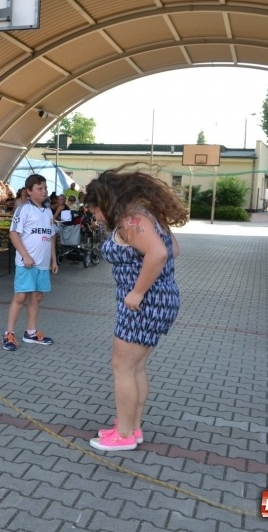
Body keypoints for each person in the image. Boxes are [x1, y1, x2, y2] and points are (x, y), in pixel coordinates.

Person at [83, 169, 186, 452]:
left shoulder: (132, 221)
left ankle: (125, 434)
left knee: (123, 367)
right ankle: (132, 426)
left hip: (144, 305)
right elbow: (173, 248)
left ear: (106, 202)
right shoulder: (143, 216)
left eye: (96, 210)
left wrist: (138, 290)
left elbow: (160, 253)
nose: (97, 217)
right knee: (135, 366)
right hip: (158, 301)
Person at [2, 174, 58, 352]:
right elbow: (13, 234)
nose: (44, 192)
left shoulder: (48, 211)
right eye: (39, 189)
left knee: (37, 297)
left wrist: (53, 259)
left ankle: (31, 333)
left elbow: (51, 236)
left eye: (45, 188)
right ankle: (9, 333)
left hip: (42, 264)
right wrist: (25, 255)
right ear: (29, 191)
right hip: (26, 263)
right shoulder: (23, 209)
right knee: (20, 297)